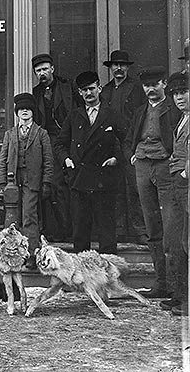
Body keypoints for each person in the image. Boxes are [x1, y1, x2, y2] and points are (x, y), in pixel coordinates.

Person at [124, 66, 182, 299]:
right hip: (143, 167)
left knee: (171, 227)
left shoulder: (174, 110)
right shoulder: (140, 111)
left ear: (164, 84)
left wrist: (171, 157)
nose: (150, 89)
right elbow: (130, 138)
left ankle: (177, 287)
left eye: (154, 84)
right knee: (152, 227)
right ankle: (160, 283)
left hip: (165, 167)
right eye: (146, 86)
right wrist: (132, 154)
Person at [54, 71, 126, 254]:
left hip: (104, 179)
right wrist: (66, 159)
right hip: (79, 179)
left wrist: (116, 158)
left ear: (99, 88)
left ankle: (108, 274)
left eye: (92, 88)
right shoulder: (74, 115)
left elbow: (127, 140)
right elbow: (59, 144)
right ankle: (81, 275)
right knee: (80, 231)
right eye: (84, 90)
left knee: (106, 230)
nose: (89, 93)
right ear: (79, 92)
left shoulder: (111, 114)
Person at [0, 93, 54, 269]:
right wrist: (2, 183)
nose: (24, 112)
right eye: (21, 109)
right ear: (16, 112)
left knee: (29, 216)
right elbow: (3, 159)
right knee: (13, 219)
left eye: (28, 109)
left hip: (32, 180)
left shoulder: (41, 134)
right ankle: (12, 255)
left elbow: (48, 161)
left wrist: (46, 183)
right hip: (13, 181)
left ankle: (31, 254)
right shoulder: (10, 134)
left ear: (33, 112)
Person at [31, 53, 82, 241]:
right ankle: (60, 229)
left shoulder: (68, 87)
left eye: (45, 69)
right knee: (53, 185)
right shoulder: (36, 93)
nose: (42, 73)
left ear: (52, 69)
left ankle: (72, 230)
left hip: (69, 140)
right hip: (47, 142)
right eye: (38, 71)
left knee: (69, 185)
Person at [101, 50, 148, 245]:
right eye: (115, 65)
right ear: (110, 68)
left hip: (131, 144)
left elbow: (142, 114)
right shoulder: (106, 91)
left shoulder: (136, 88)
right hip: (112, 146)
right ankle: (119, 230)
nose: (118, 68)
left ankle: (140, 231)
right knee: (115, 188)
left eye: (122, 65)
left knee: (135, 188)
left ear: (128, 67)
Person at [163, 70, 189, 316]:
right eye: (176, 93)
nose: (179, 97)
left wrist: (184, 174)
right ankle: (181, 295)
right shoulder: (182, 118)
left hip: (186, 183)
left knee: (188, 241)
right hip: (178, 183)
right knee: (177, 241)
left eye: (184, 92)